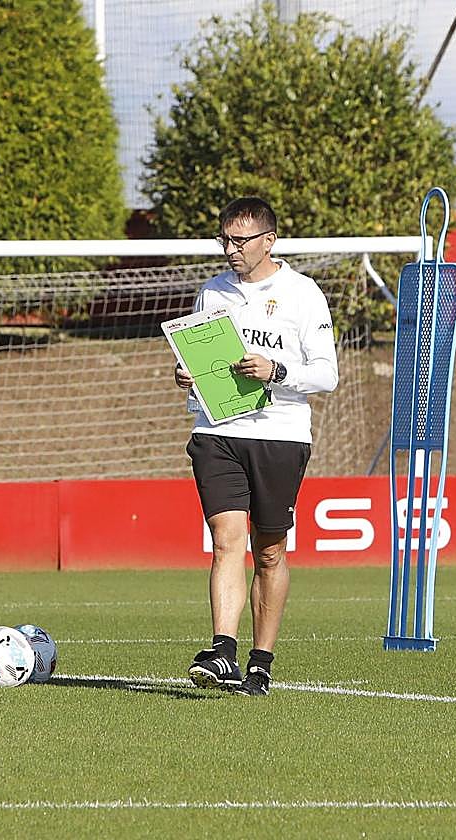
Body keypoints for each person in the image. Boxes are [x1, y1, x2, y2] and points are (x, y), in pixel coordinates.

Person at [173, 196, 338, 697]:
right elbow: (204, 358)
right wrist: (188, 375)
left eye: (239, 240)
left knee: (268, 551)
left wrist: (277, 371)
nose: (230, 249)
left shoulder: (303, 294)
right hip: (217, 432)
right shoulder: (211, 293)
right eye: (224, 239)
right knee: (226, 541)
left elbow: (327, 375)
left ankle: (260, 663)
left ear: (269, 241)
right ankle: (222, 650)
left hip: (279, 434)